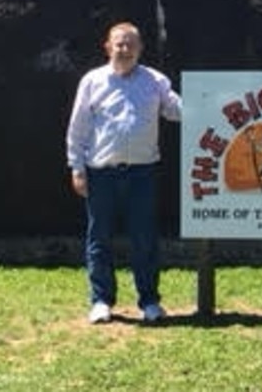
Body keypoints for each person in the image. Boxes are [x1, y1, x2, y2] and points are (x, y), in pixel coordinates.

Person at [66, 22, 181, 325]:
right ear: (108, 47)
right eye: (119, 44)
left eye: (131, 44)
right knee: (99, 238)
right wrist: (76, 168)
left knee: (145, 238)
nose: (125, 49)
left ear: (141, 48)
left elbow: (175, 110)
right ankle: (101, 301)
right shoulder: (92, 81)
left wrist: (210, 104)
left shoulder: (156, 81)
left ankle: (150, 302)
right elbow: (77, 129)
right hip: (100, 173)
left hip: (142, 173)